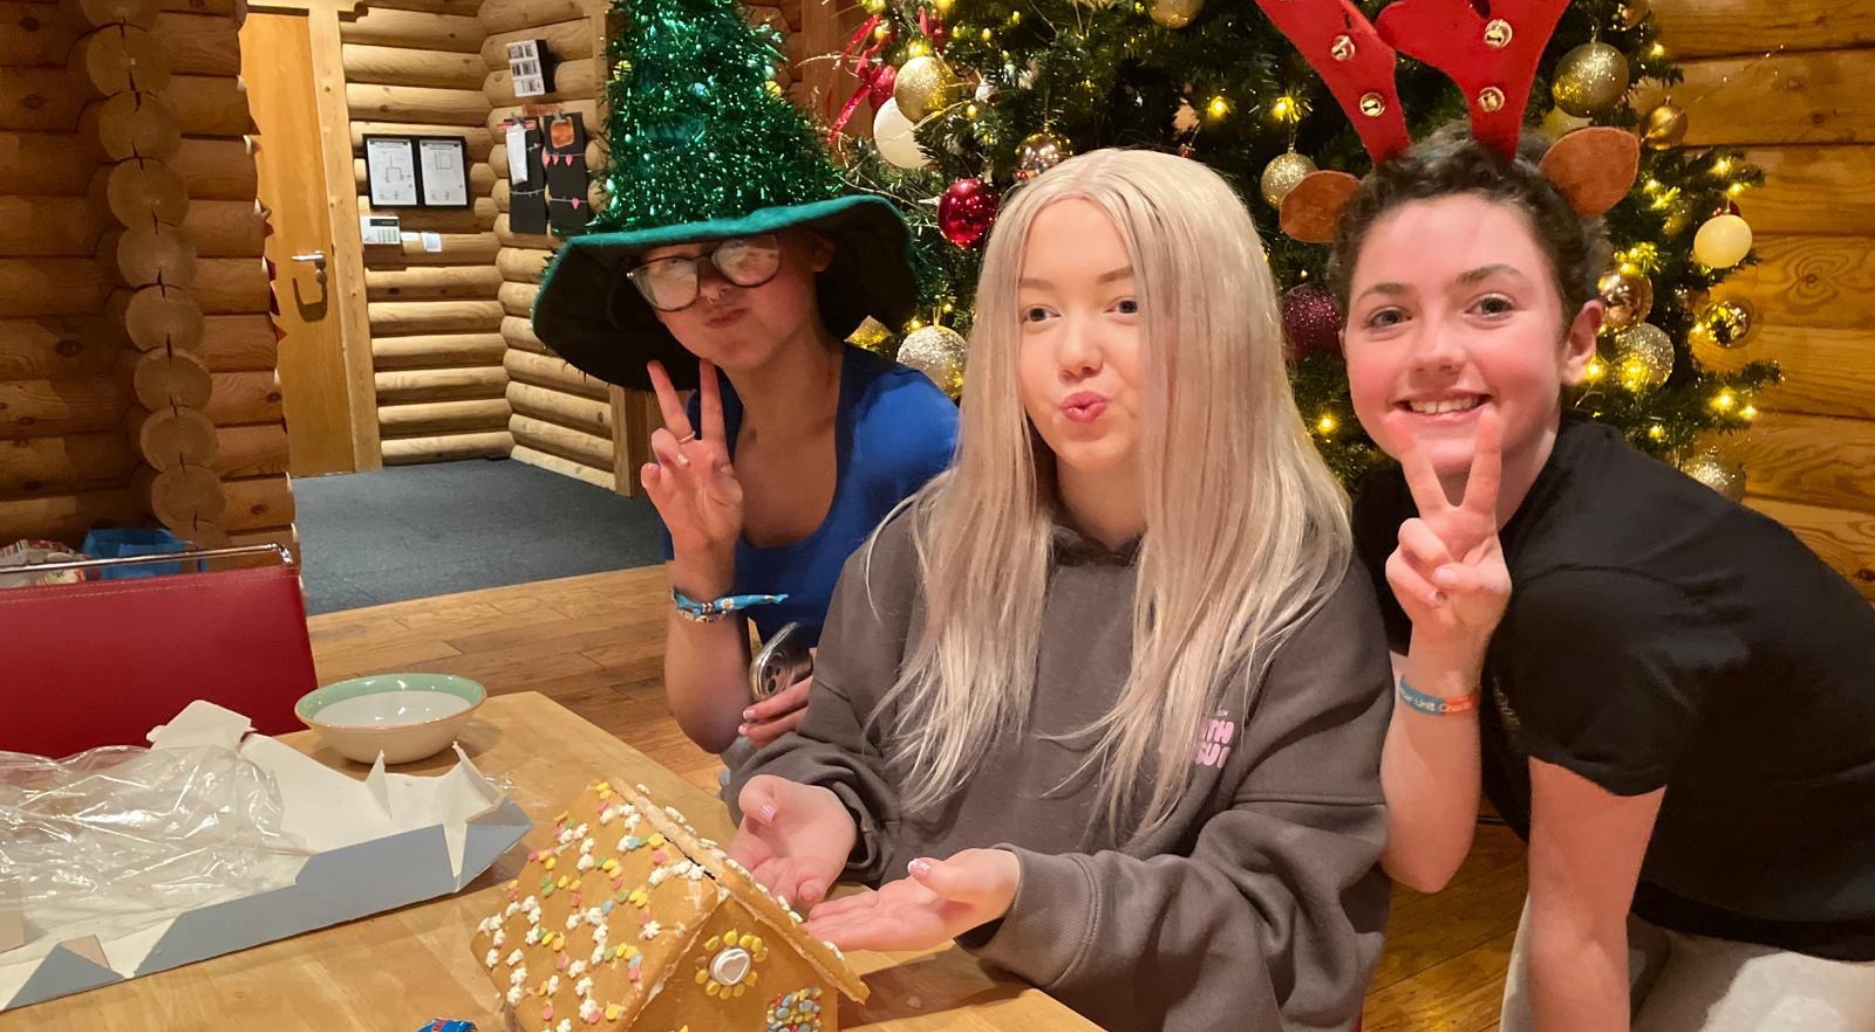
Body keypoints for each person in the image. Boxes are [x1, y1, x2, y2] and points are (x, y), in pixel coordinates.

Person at [721, 149, 1393, 1032]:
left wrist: (1024, 898)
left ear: (1224, 325)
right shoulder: (916, 551)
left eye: (1127, 305)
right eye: (1036, 312)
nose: (1073, 352)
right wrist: (818, 803)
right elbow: (829, 745)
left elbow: (1288, 930)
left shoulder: (1298, 600)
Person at [1339, 125, 1875, 1031]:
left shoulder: (1600, 588)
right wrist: (1443, 641)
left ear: (1577, 339)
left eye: (1489, 305)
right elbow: (1426, 858)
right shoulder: (1392, 505)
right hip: (1655, 873)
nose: (1431, 350)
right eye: (1387, 315)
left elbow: (1575, 931)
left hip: (1830, 913)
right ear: (1345, 343)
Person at [533, 173, 957, 771]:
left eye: (744, 252)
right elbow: (716, 724)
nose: (709, 291)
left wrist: (865, 696)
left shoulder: (912, 435)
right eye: (672, 269)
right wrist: (702, 557)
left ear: (816, 249)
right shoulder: (708, 450)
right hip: (797, 775)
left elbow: (1014, 665)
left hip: (928, 788)